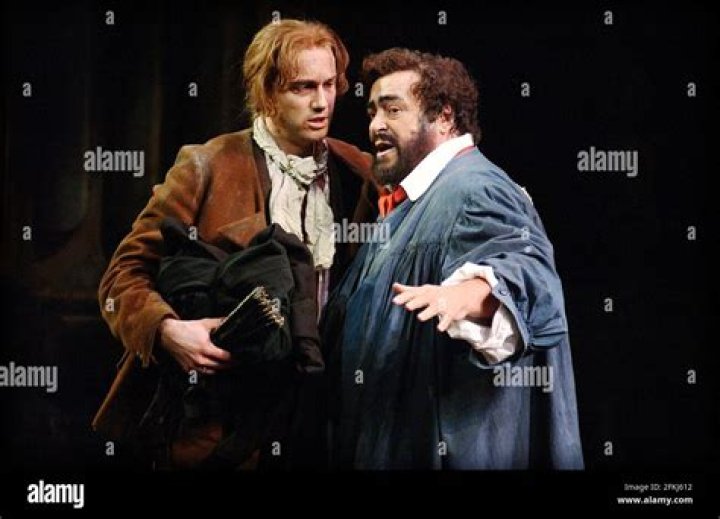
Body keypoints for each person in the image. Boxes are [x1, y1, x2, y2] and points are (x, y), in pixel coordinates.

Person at [92, 19, 377, 469]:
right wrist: (167, 330)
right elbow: (122, 276)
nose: (321, 102)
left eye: (329, 84)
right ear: (268, 93)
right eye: (302, 87)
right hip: (221, 416)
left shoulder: (357, 170)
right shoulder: (208, 165)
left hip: (320, 414)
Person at [322, 48, 584, 469]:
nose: (375, 125)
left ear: (444, 117)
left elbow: (526, 271)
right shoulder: (415, 203)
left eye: (393, 109)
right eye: (372, 111)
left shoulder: (476, 188)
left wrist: (467, 295)